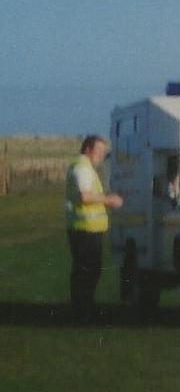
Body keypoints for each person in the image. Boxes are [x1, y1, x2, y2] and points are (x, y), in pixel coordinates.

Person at [65, 134, 124, 322]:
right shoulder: (82, 168)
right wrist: (109, 200)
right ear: (88, 149)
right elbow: (84, 196)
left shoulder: (86, 167)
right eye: (99, 151)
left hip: (88, 228)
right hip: (84, 228)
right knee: (86, 270)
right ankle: (82, 310)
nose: (101, 155)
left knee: (88, 270)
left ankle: (85, 307)